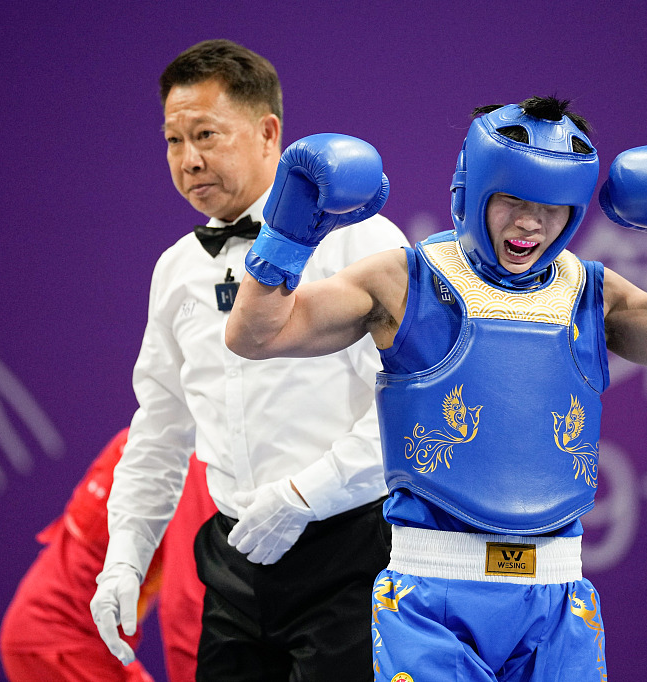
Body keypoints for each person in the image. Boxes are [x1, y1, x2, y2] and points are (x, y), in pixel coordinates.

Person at [225, 95, 647, 681]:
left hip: (557, 600)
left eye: (552, 207)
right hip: (431, 599)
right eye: (514, 200)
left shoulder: (591, 293)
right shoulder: (403, 282)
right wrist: (288, 234)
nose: (531, 223)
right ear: (471, 190)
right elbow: (257, 335)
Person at [89, 39, 408, 681]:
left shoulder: (361, 239)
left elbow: (408, 409)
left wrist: (303, 496)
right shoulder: (176, 269)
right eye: (174, 141)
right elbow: (160, 425)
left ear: (269, 134)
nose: (190, 159)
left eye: (206, 134)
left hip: (350, 551)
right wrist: (124, 554)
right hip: (232, 560)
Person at [0, 428, 216, 682]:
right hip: (64, 644)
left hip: (51, 639)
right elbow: (188, 601)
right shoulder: (192, 456)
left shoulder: (146, 433)